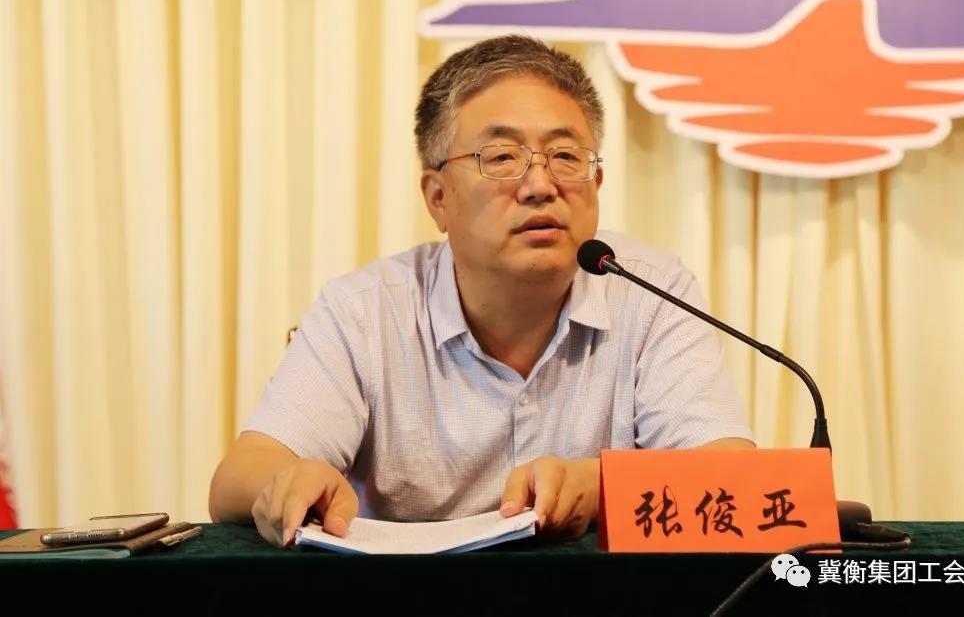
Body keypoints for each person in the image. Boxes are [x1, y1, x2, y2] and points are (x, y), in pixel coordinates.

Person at [208, 35, 755, 548]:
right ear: (438, 197)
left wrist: (603, 486)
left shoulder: (652, 293)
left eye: (566, 157)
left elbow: (733, 476)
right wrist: (290, 479)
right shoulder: (365, 310)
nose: (540, 185)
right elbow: (239, 476)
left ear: (596, 183)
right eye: (501, 159)